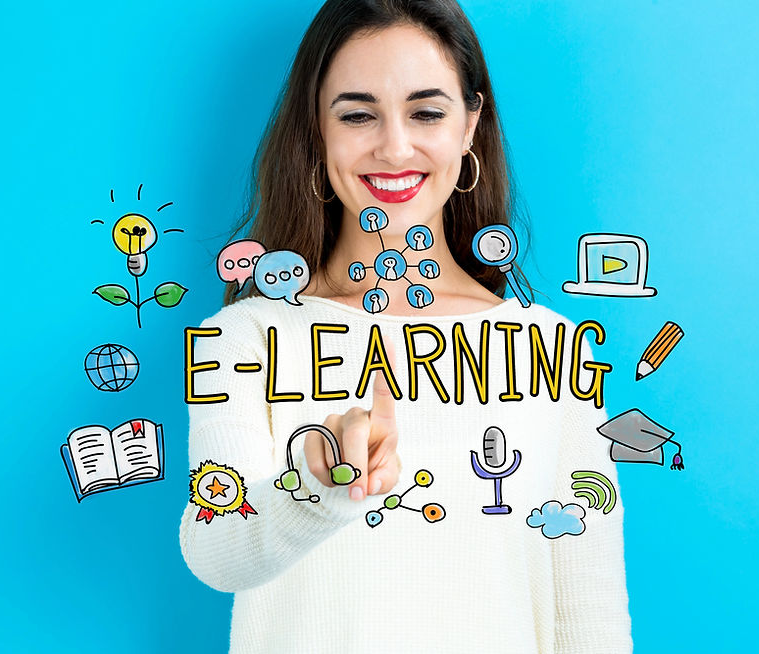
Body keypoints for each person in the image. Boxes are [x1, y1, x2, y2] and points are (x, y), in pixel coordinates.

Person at [180, 1, 632, 652]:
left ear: (471, 124)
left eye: (426, 111)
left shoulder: (554, 348)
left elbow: (589, 619)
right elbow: (212, 549)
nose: (394, 146)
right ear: (317, 129)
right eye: (358, 114)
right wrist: (317, 482)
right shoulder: (242, 337)